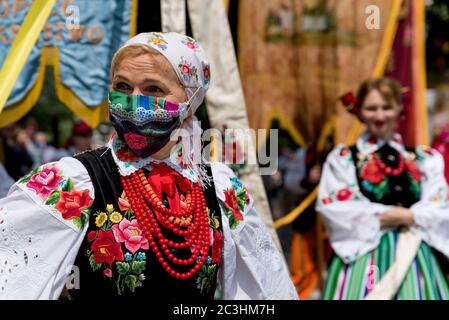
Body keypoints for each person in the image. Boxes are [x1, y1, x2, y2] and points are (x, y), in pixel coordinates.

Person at [0, 32, 297, 300]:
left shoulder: (220, 188)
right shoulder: (75, 181)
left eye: (154, 89)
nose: (133, 101)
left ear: (189, 103)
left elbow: (266, 290)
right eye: (122, 86)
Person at [317, 77, 449, 300]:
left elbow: (440, 202)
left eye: (386, 107)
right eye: (371, 108)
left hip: (415, 254)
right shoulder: (343, 158)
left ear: (399, 109)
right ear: (359, 111)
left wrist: (408, 216)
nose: (379, 116)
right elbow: (334, 205)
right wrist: (388, 215)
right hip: (365, 256)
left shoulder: (424, 158)